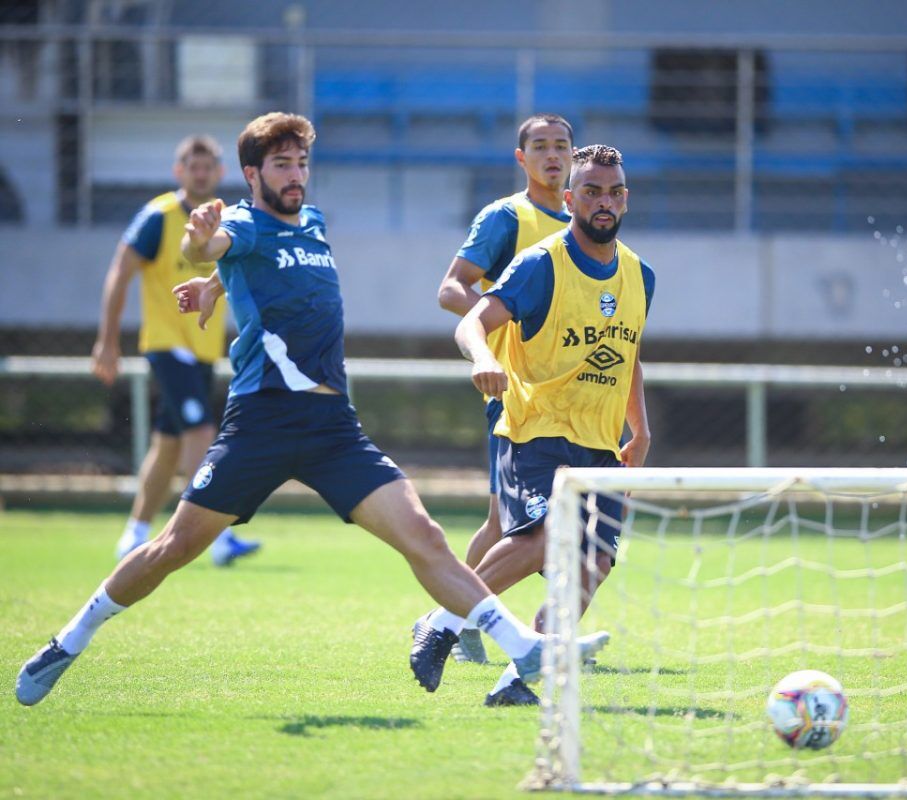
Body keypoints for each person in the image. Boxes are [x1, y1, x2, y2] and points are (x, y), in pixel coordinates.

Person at [15, 112, 608, 708]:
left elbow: (261, 262)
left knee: (424, 535)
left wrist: (215, 289)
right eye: (281, 165)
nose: (296, 175)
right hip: (262, 423)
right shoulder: (241, 222)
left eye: (301, 163)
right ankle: (69, 640)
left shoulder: (313, 221)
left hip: (333, 430)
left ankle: (518, 644)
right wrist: (201, 247)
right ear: (252, 173)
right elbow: (216, 245)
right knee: (173, 548)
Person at [410, 144, 653, 706]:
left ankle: (515, 681)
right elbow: (472, 320)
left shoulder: (641, 274)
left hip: (599, 442)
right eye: (590, 190)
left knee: (595, 561)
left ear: (626, 200)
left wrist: (639, 431)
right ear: (569, 198)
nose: (603, 202)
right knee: (542, 538)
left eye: (613, 192)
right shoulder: (541, 262)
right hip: (536, 430)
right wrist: (484, 357)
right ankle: (443, 622)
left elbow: (628, 352)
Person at [435, 113, 574, 664]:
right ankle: (455, 622)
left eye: (561, 146)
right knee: (509, 521)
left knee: (509, 521)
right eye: (539, 147)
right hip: (516, 394)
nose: (552, 155)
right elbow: (451, 290)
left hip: (571, 397)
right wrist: (503, 332)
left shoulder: (584, 218)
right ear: (521, 159)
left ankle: (462, 620)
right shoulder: (506, 217)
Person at [91, 134, 260, 567]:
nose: (200, 173)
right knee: (202, 433)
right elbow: (120, 271)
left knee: (167, 446)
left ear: (220, 174)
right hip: (168, 346)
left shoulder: (225, 220)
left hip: (203, 350)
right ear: (178, 171)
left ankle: (134, 535)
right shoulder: (157, 217)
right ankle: (216, 540)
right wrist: (107, 340)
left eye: (208, 167)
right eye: (192, 166)